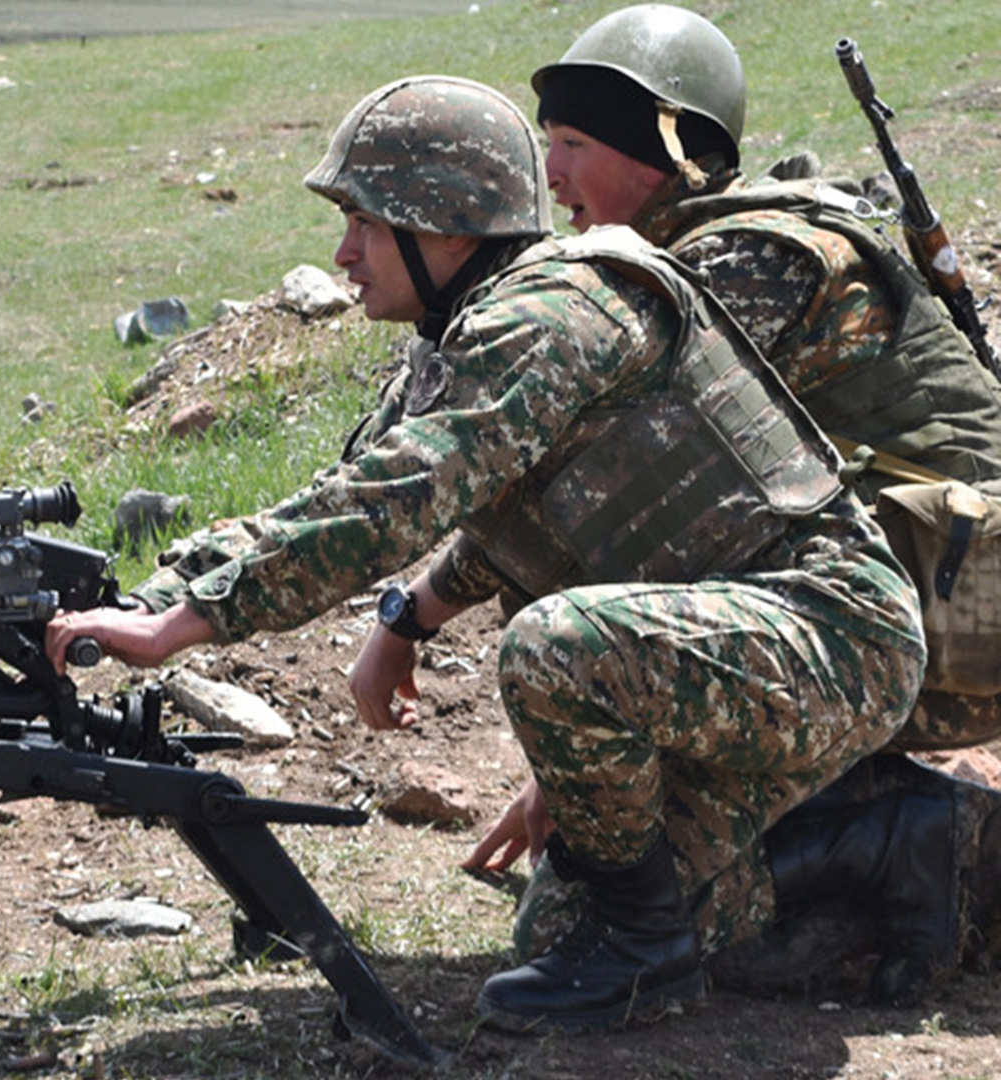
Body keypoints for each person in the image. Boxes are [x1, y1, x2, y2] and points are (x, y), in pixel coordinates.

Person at [46, 73, 925, 1032]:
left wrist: (188, 625)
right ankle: (893, 837)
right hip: (725, 647)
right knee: (553, 935)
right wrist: (148, 595)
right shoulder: (465, 336)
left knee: (555, 646)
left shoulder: (554, 316)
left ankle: (649, 949)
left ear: (452, 230)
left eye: (367, 223)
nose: (343, 253)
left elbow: (405, 497)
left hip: (835, 635)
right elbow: (344, 495)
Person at [464, 2, 1001, 1004]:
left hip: (961, 607)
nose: (552, 177)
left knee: (610, 920)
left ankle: (906, 839)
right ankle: (905, 848)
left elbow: (599, 471)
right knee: (584, 907)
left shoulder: (748, 263)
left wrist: (574, 696)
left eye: (574, 144)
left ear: (666, 143)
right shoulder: (693, 253)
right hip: (918, 593)